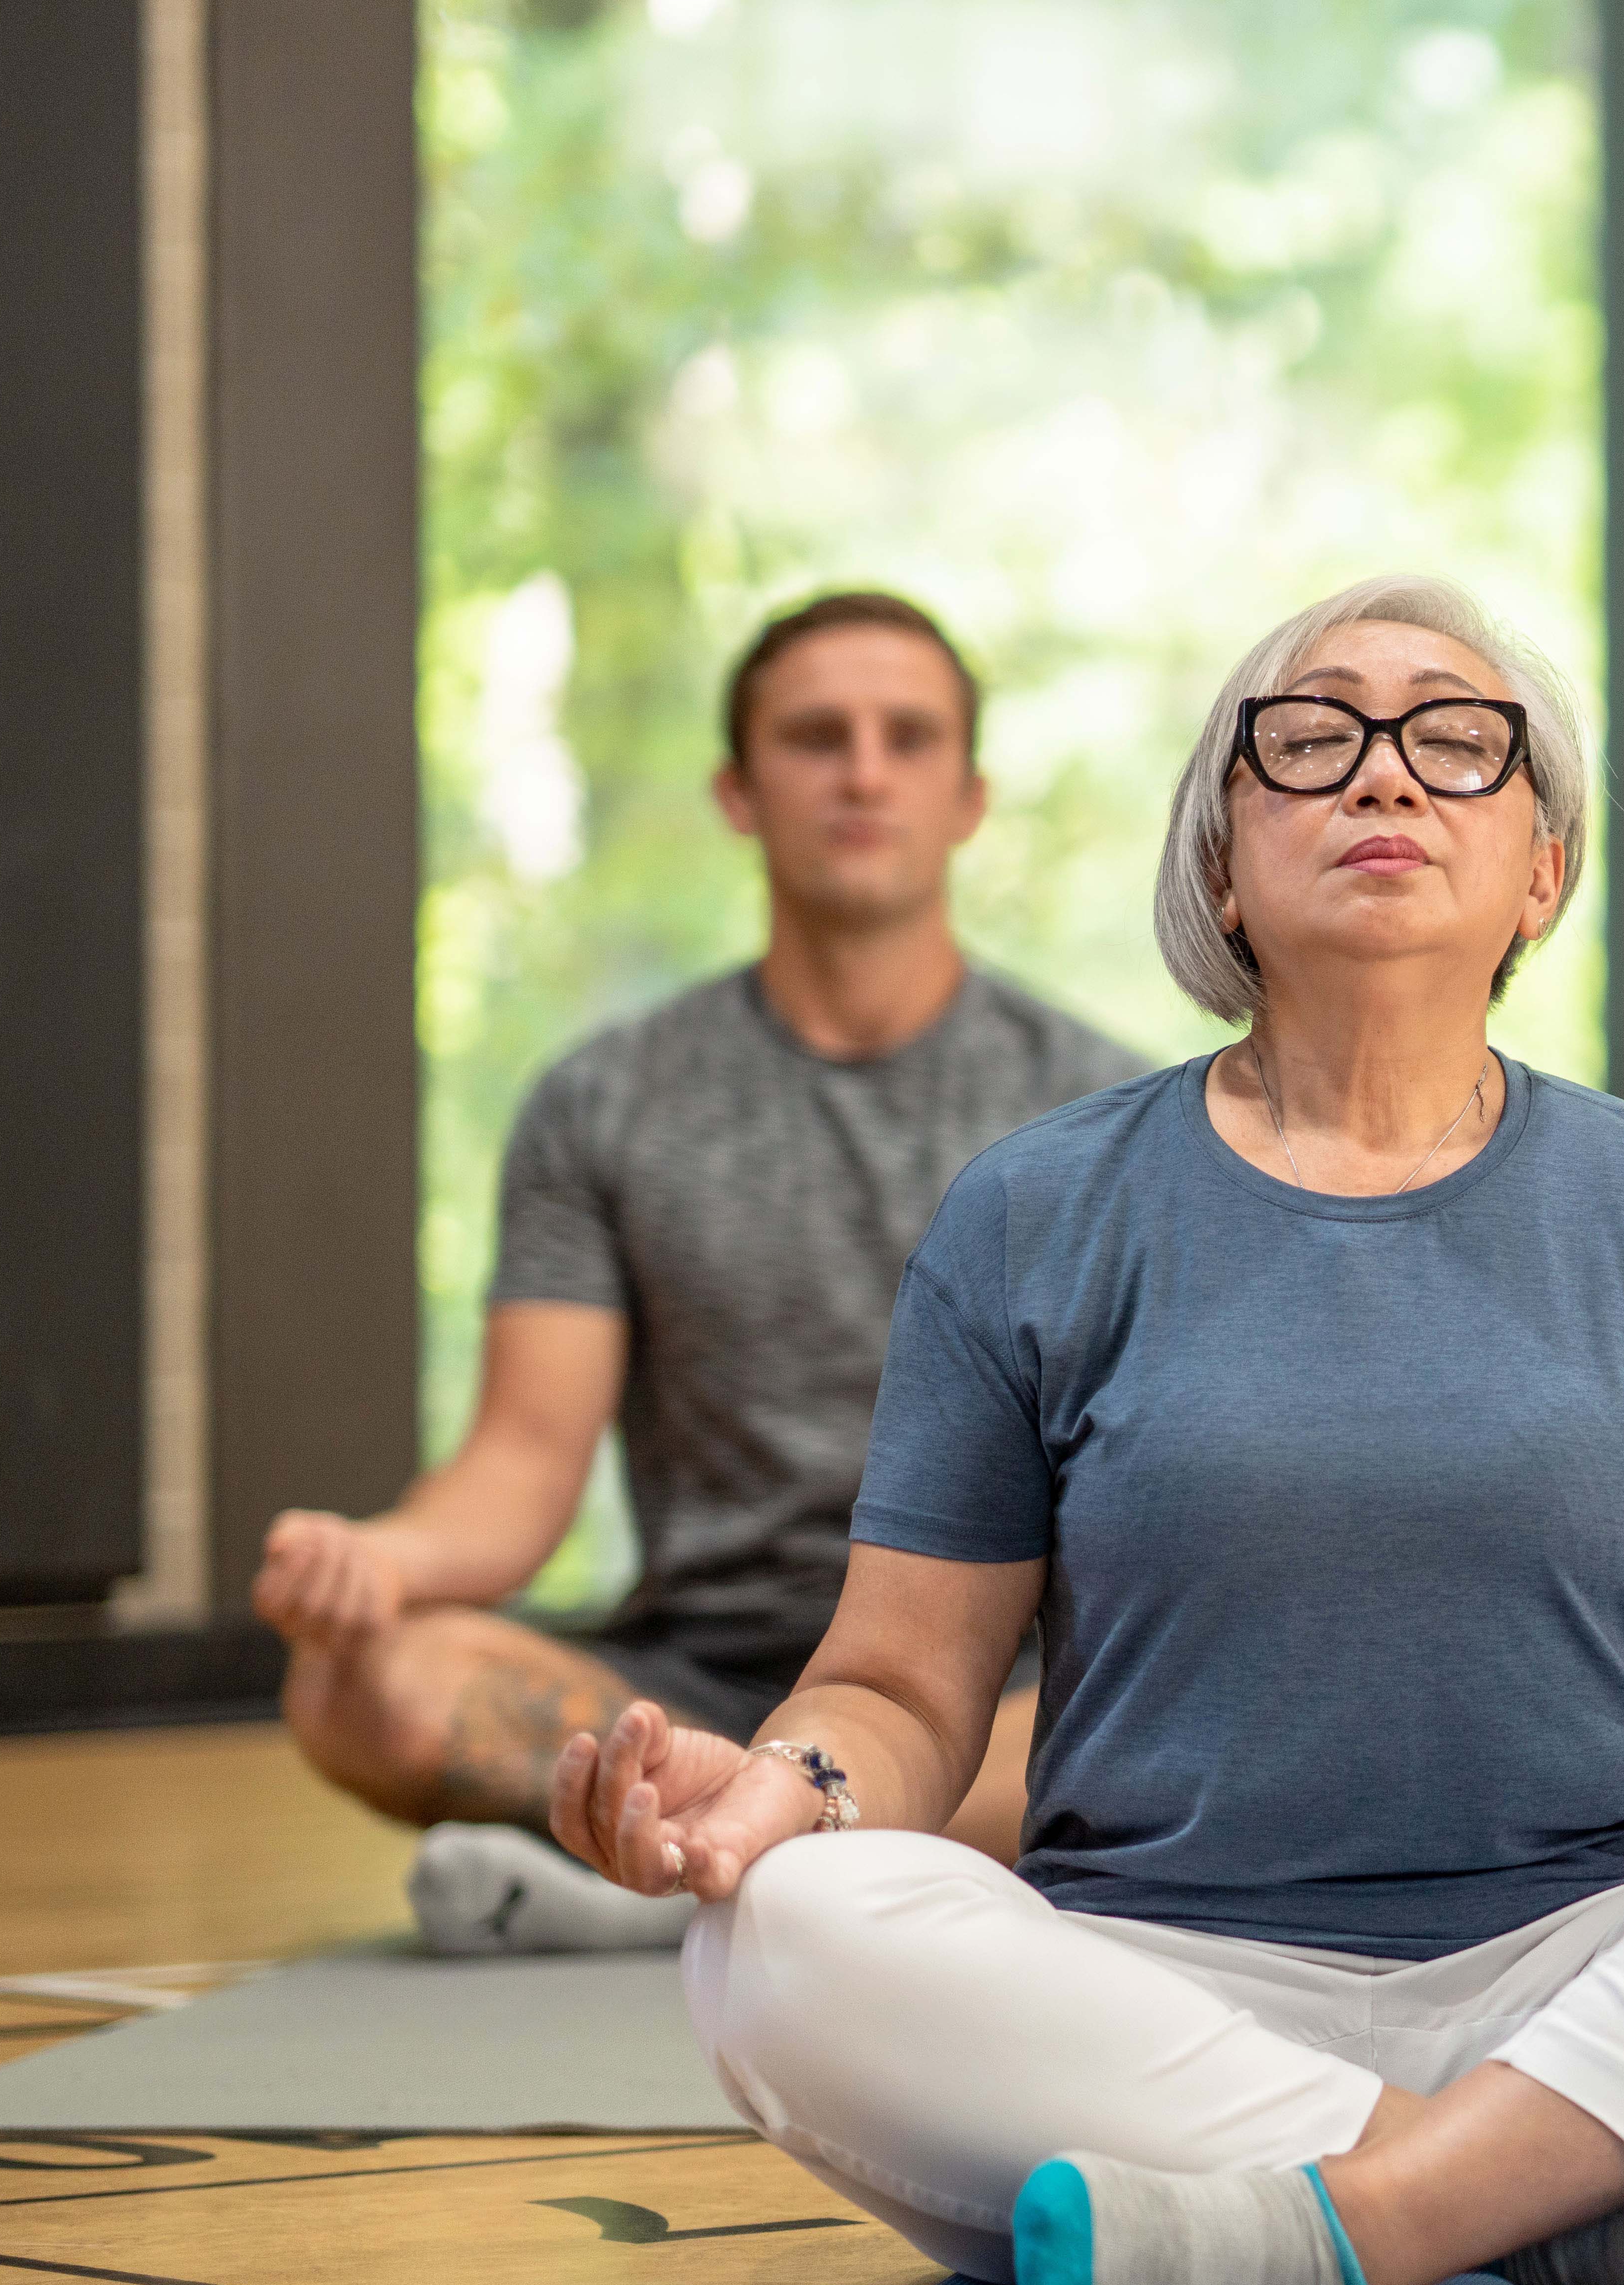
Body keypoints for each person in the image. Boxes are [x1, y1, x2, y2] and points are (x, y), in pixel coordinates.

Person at [549, 575, 1624, 2285]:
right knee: (772, 1932)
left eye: (1457, 741)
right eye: (1310, 740)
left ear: (1543, 869)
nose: (1384, 774)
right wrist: (787, 1787)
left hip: (1610, 1991)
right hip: (1152, 2009)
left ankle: (1350, 2222)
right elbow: (901, 1689)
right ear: (1221, 864)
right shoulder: (1031, 1214)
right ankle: (1557, 2215)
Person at [254, 591, 1143, 1951]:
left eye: (908, 738)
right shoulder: (603, 1102)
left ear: (969, 797)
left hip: (983, 1691)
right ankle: (778, 1846)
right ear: (738, 791)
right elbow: (520, 1463)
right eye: (817, 736)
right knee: (357, 1688)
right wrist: (377, 1559)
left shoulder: (1100, 1114)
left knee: (1178, 1711)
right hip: (692, 1687)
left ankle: (692, 1865)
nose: (863, 772)